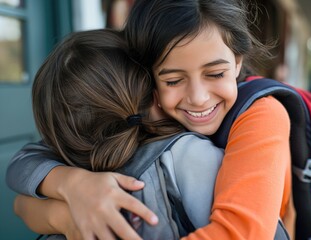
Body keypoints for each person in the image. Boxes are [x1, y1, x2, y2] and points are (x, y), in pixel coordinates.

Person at [7, 0, 293, 239]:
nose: (198, 98)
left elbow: (240, 233)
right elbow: (22, 189)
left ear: (238, 62)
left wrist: (62, 215)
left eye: (216, 74)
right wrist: (74, 186)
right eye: (173, 80)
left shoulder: (261, 116)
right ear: (146, 79)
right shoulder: (133, 123)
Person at [9, 29, 224, 239]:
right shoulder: (190, 156)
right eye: (171, 80)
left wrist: (70, 184)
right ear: (149, 89)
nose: (197, 97)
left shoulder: (72, 156)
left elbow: (20, 183)